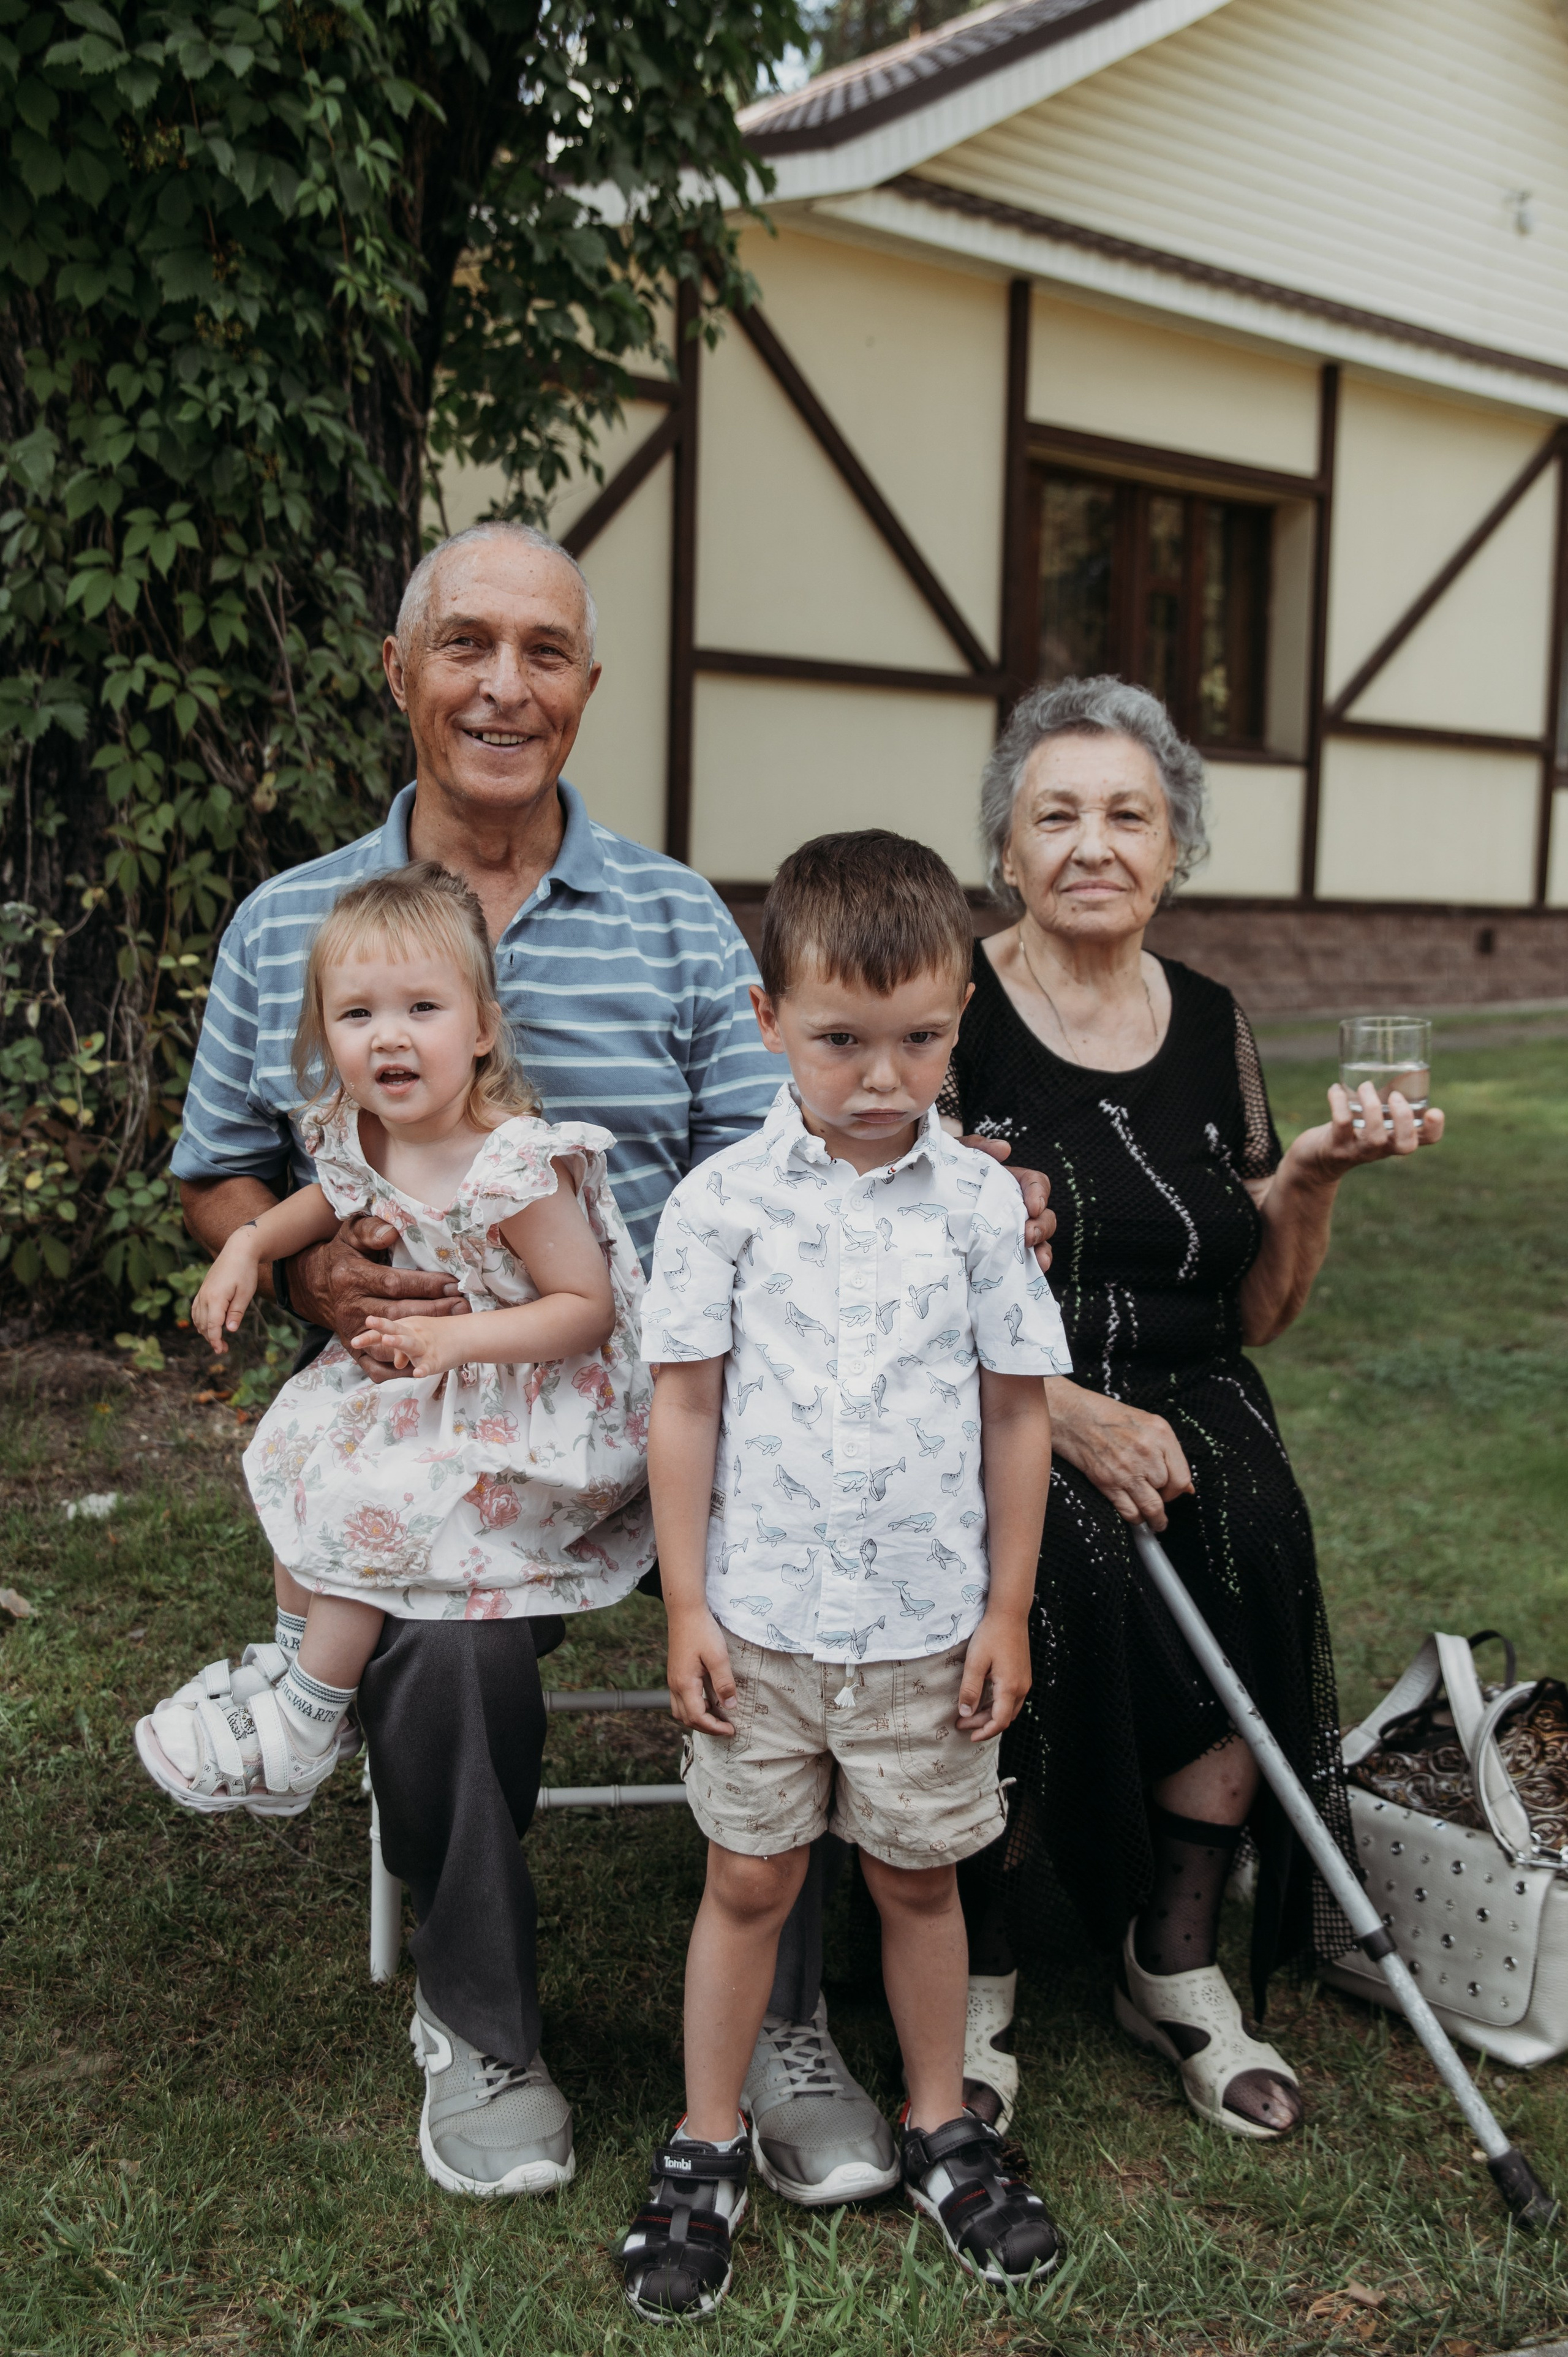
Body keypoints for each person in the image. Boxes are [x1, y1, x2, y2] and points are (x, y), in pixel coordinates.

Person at [167, 521, 1054, 2204]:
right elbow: (224, 1170)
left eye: (547, 652)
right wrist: (318, 1263)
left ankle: (789, 2026)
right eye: (467, 646)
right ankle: (483, 2020)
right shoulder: (296, 919)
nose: (506, 685)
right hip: (443, 1407)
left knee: (807, 1582)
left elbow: (805, 1141)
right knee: (440, 1646)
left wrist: (959, 1189)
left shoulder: (671, 920)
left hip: (698, 1396)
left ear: (586, 684)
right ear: (402, 675)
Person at [943, 676, 1444, 2145]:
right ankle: (976, 1967)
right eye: (1056, 815)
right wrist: (1067, 1413)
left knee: (1255, 1531)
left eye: (1128, 815)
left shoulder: (1211, 1018)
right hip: (994, 1390)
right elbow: (892, 1269)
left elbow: (1254, 1308)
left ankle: (1170, 1958)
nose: (1092, 843)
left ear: (1172, 849)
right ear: (1008, 849)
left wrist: (1310, 1184)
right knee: (1062, 1573)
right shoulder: (951, 1009)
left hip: (1189, 1383)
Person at [617, 832, 1072, 2321]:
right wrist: (684, 1602)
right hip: (758, 1622)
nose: (882, 1076)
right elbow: (682, 1404)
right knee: (746, 1875)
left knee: (917, 1875)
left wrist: (1004, 1603)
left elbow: (1017, 1408)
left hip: (924, 1630)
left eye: (920, 1039)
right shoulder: (720, 1203)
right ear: (767, 1020)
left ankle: (942, 2121)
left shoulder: (979, 1208)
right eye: (839, 1040)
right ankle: (703, 2142)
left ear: (956, 1020)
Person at [137, 869, 649, 1898]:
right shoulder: (358, 1131)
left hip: (530, 1402)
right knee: (299, 1449)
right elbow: (321, 1203)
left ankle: (308, 1720)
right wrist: (246, 1247)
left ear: (482, 1029)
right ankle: (293, 1666)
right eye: (358, 1014)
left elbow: (584, 1307)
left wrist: (459, 1348)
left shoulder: (515, 1165)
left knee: (377, 1496)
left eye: (423, 1009)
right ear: (327, 1035)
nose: (391, 1038)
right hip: (418, 1379)